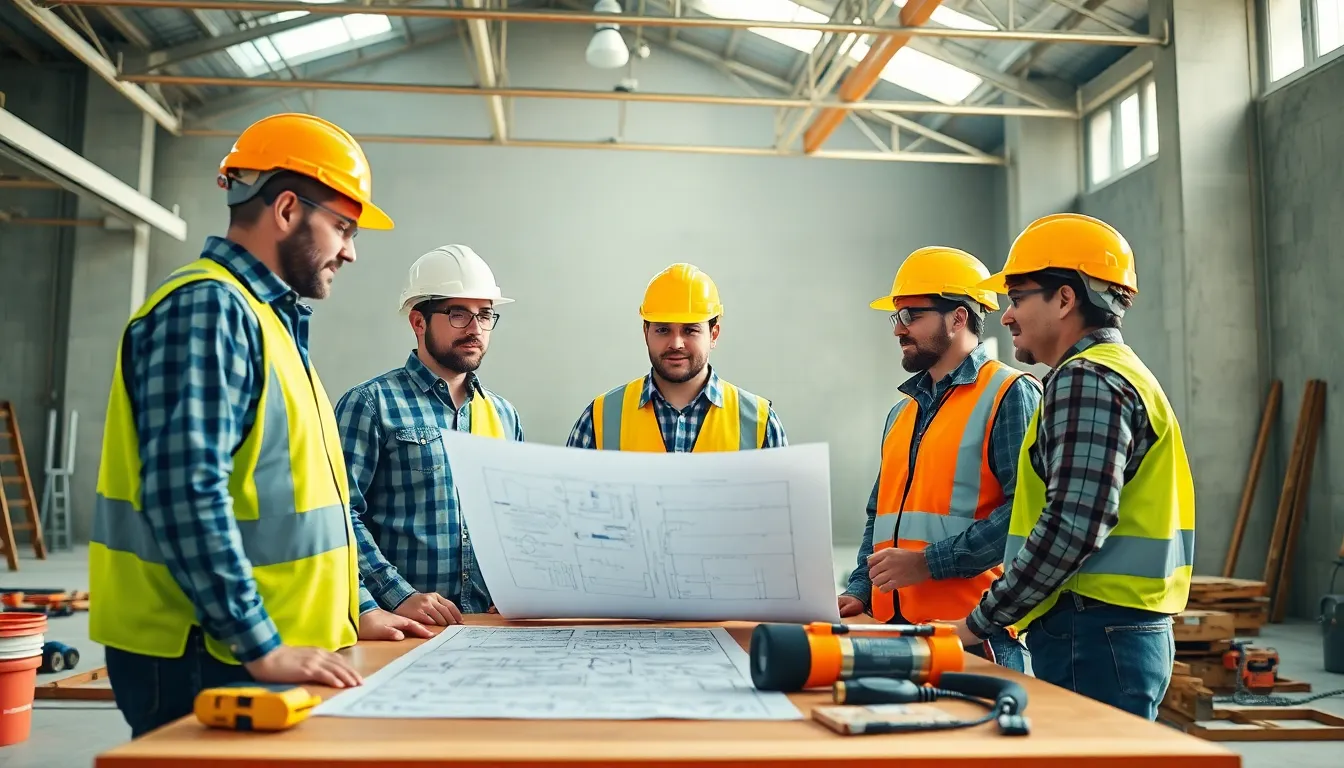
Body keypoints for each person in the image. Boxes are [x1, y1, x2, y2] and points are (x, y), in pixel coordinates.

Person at [88, 113, 431, 739]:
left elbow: (293, 500)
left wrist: (352, 611)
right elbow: (184, 491)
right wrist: (258, 642)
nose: (350, 250)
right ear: (287, 209)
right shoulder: (207, 308)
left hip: (255, 650)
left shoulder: (267, 321)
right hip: (208, 653)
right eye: (343, 227)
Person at [951, 213, 1195, 720]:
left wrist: (982, 620)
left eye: (1017, 298)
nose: (1006, 315)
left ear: (1065, 299)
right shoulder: (1118, 373)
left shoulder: (1085, 380)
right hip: (1113, 628)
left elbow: (1072, 526)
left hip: (1094, 629)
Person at [837, 247, 1042, 672]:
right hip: (892, 629)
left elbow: (1027, 513)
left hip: (971, 638)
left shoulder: (1009, 393)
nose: (899, 329)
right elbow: (880, 515)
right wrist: (861, 587)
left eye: (912, 315)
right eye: (896, 317)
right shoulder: (903, 412)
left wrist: (928, 564)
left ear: (959, 317)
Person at [335, 245, 524, 625]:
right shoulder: (371, 404)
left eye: (485, 315)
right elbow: (340, 516)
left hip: (491, 626)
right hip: (407, 627)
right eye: (458, 314)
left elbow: (516, 520)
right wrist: (398, 595)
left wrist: (517, 589)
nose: (475, 329)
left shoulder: (503, 415)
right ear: (418, 322)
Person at [567, 262, 786, 452]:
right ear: (646, 333)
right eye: (663, 330)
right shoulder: (600, 418)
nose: (676, 343)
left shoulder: (760, 423)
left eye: (690, 330)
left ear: (714, 334)